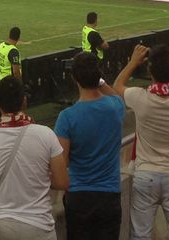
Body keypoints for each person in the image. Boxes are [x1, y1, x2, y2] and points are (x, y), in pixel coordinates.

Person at [112, 43, 169, 240]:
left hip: (146, 175)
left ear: (149, 69)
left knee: (140, 235)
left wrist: (133, 62)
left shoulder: (140, 98)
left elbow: (117, 86)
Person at [0, 76, 68, 240]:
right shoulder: (46, 134)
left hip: (3, 227)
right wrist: (40, 177)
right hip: (40, 227)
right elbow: (62, 182)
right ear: (24, 101)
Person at [54, 52, 126, 240]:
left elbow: (62, 162)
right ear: (99, 75)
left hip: (79, 195)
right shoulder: (116, 106)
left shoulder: (67, 117)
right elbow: (115, 94)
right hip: (109, 194)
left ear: (74, 78)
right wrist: (99, 80)